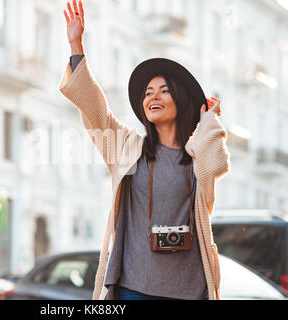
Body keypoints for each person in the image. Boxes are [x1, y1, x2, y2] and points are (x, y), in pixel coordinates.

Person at [61, 1, 230, 300]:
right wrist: (76, 45)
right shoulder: (127, 148)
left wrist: (209, 121)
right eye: (148, 93)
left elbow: (217, 163)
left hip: (188, 290)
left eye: (164, 90)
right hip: (133, 288)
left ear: (180, 100)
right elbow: (96, 112)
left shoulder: (198, 155)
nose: (154, 96)